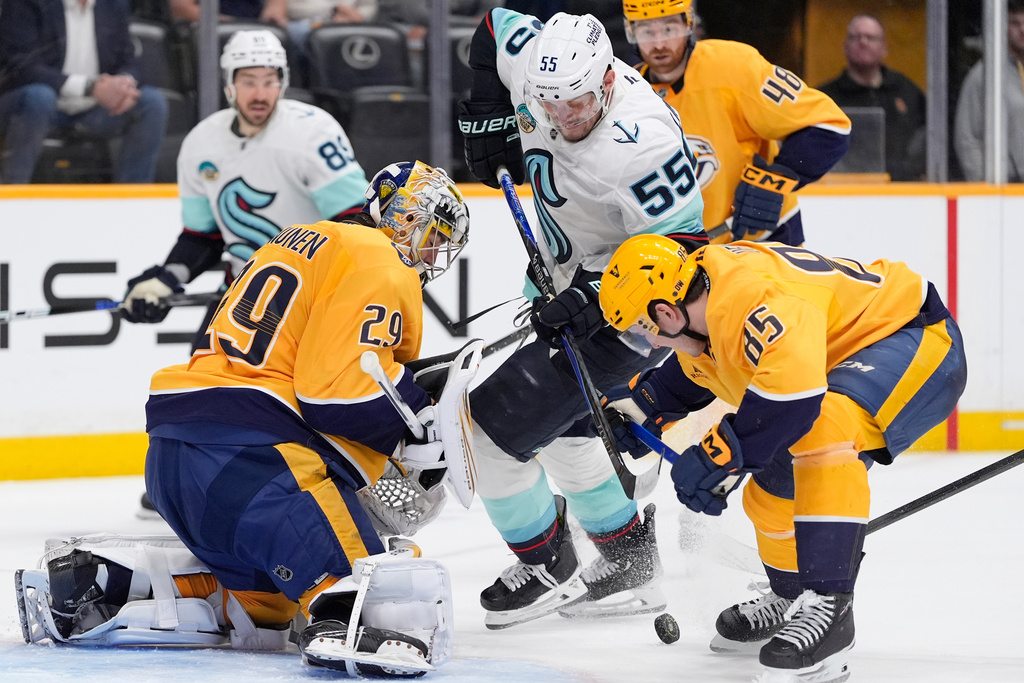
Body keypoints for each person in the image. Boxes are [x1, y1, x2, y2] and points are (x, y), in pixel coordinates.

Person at [598, 235, 967, 682]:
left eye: (643, 329)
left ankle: (830, 610)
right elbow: (712, 359)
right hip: (837, 355)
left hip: (912, 336)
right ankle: (793, 598)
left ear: (667, 313)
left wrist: (722, 454)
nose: (649, 341)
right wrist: (646, 404)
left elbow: (795, 398)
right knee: (771, 492)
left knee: (824, 425)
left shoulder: (752, 299)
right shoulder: (706, 302)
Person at [144, 161, 466, 673]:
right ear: (403, 218)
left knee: (263, 610)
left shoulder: (299, 237)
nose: (432, 254)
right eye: (433, 236)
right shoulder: (379, 259)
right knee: (382, 598)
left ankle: (112, 584)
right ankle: (340, 618)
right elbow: (337, 395)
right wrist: (415, 421)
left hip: (175, 453)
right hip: (260, 463)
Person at [456, 8, 707, 628]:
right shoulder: (538, 63)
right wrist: (488, 114)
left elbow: (683, 254)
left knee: (484, 435)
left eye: (577, 103)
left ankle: (547, 564)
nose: (563, 117)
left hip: (632, 311)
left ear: (608, 80)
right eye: (549, 104)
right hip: (562, 276)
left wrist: (594, 297)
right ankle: (630, 562)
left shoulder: (642, 144)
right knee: (566, 434)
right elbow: (492, 25)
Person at [119, 29, 368, 516]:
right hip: (242, 291)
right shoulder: (201, 143)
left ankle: (339, 476)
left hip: (314, 294)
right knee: (200, 378)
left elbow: (357, 221)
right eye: (249, 81)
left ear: (284, 82)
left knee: (314, 392)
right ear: (229, 85)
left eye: (270, 80)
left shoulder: (312, 133)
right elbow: (203, 237)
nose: (260, 93)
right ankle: (193, 480)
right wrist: (165, 278)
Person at [623, 0, 851, 246]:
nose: (659, 43)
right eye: (646, 31)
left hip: (761, 240)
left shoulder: (734, 66)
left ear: (689, 24)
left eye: (669, 29)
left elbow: (829, 127)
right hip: (681, 254)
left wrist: (772, 183)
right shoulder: (625, 96)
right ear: (631, 32)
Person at [0, 0, 169, 184]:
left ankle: (132, 195)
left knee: (151, 102)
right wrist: (90, 87)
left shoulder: (113, 4)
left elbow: (128, 58)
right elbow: (20, 66)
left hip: (94, 108)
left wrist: (122, 85)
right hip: (39, 105)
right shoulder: (28, 3)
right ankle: (13, 190)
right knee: (39, 97)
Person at [818, 14, 926, 182]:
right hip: (845, 191)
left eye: (871, 38)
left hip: (903, 189)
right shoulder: (825, 98)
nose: (863, 42)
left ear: (884, 48)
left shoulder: (907, 91)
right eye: (856, 37)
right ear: (845, 47)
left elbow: (929, 136)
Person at [954, 0, 1024, 182]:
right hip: (1006, 187)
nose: (1022, 30)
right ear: (1004, 27)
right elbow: (967, 139)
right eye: (1015, 23)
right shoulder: (985, 75)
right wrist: (985, 188)